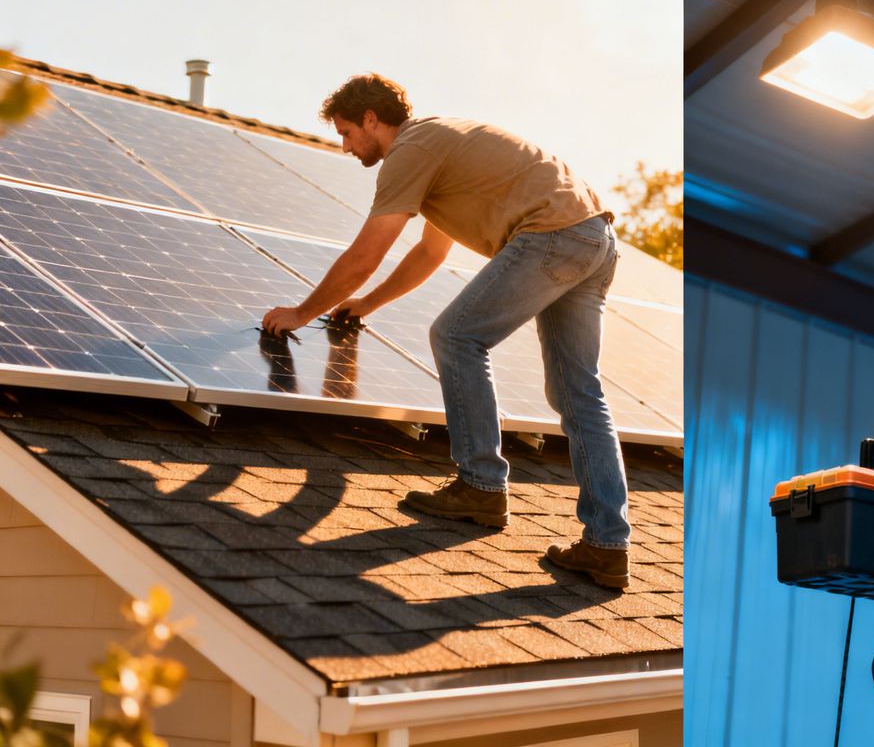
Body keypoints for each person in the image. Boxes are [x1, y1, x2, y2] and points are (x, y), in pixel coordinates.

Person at [261, 73, 632, 589]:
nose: (344, 146)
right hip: (595, 237)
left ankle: (481, 485)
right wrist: (368, 303)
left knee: (456, 336)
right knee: (579, 393)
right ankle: (606, 545)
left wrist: (301, 312)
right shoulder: (443, 144)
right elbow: (430, 252)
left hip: (553, 235)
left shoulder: (411, 150)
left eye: (347, 133)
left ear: (372, 119)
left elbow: (369, 252)